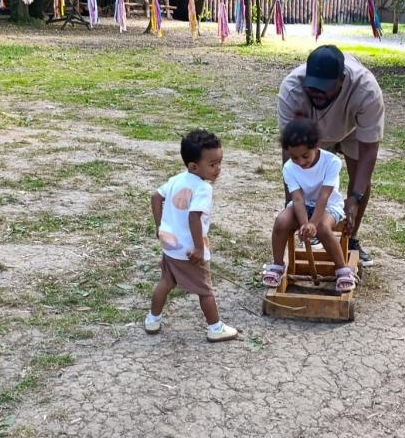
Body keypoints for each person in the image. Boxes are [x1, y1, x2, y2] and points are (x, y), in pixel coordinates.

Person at [277, 44, 384, 267]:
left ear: (342, 80)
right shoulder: (292, 89)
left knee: (360, 183)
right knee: (306, 174)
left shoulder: (366, 91)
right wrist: (292, 208)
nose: (316, 93)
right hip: (309, 132)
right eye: (312, 87)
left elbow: (369, 150)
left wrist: (355, 197)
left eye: (324, 88)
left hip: (353, 127)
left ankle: (351, 239)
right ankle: (312, 229)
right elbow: (291, 155)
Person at [145, 129, 239, 341]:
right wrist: (198, 248)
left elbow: (154, 197)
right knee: (205, 290)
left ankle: (153, 319)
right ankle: (215, 328)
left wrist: (160, 226)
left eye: (220, 163)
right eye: (213, 164)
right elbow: (194, 217)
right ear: (194, 166)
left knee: (166, 281)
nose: (218, 169)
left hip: (170, 246)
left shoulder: (177, 179)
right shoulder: (203, 188)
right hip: (190, 250)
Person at [262, 118, 356, 294]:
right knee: (281, 221)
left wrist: (312, 223)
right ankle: (277, 265)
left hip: (329, 205)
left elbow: (324, 195)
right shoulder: (289, 167)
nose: (301, 161)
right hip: (303, 205)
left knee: (321, 227)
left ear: (316, 146)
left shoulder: (332, 162)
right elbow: (297, 199)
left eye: (305, 156)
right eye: (294, 157)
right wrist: (305, 223)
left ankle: (342, 269)